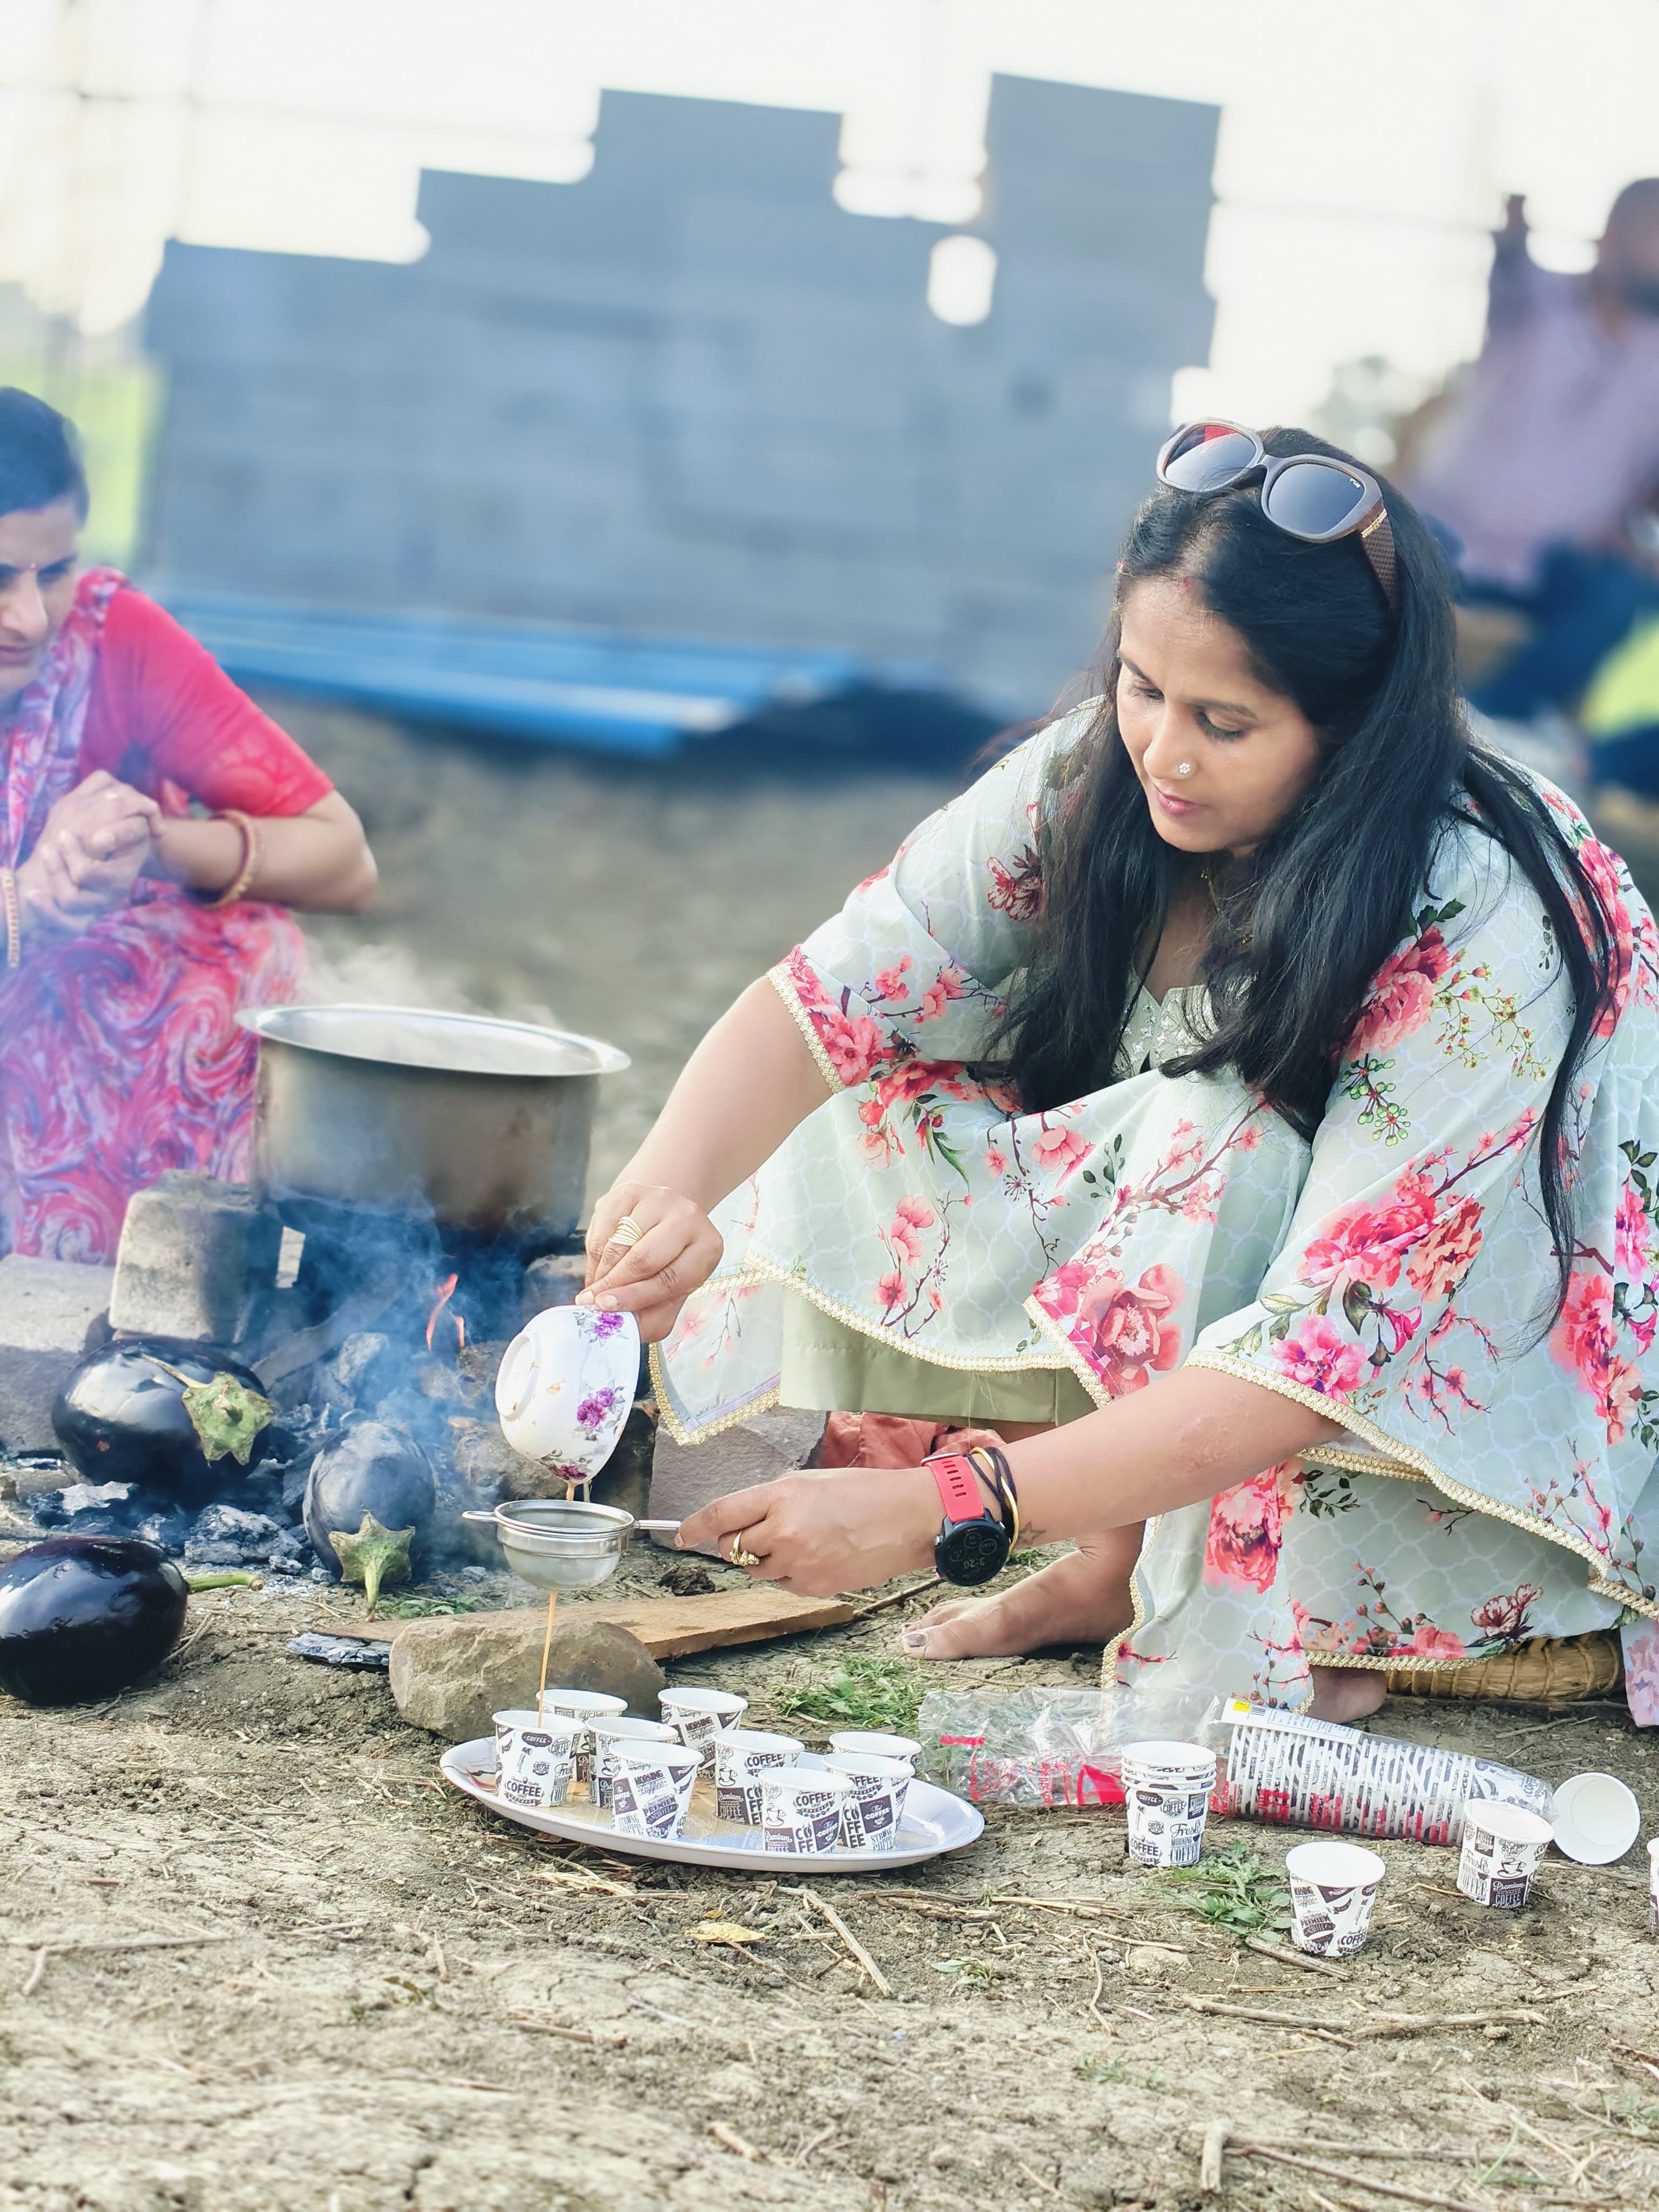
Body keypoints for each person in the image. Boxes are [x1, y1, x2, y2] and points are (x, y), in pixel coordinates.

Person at [577, 422, 1659, 1727]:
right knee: (879, 1086)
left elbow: (1329, 1342)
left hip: (1480, 1373)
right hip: (1279, 1317)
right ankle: (1120, 1556)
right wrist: (659, 1198)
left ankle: (1329, 1606)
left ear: (1354, 725)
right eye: (1141, 686)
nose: (1164, 751)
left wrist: (940, 1509)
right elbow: (823, 1001)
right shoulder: (1097, 772)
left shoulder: (1474, 912)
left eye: (1224, 720)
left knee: (1222, 1139)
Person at [0, 388, 376, 1261]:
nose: (27, 617)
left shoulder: (111, 638)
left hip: (98, 1096)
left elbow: (343, 859)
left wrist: (147, 846)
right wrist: (23, 906)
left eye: (50, 574)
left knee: (210, 960)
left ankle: (155, 1298)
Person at [1404, 185, 1659, 724]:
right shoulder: (1537, 299)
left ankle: (1490, 722)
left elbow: (1646, 478)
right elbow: (1510, 270)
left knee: (1629, 593)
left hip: (1555, 563)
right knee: (1373, 571)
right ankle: (1408, 712)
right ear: (1615, 236)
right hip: (1452, 535)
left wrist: (1632, 531)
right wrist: (1514, 241)